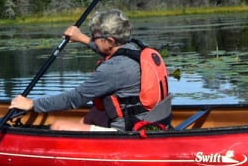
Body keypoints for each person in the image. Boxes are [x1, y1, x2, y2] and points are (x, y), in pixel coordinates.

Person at [9, 9, 172, 130]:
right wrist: (82, 38)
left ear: (110, 40)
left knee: (58, 127)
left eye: (95, 37)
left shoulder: (112, 70)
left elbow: (73, 99)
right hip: (154, 118)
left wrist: (32, 104)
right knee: (93, 114)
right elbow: (107, 49)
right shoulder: (136, 47)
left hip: (131, 129)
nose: (93, 39)